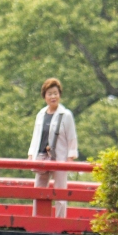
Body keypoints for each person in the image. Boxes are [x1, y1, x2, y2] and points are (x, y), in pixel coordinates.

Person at [28, 78, 78, 219]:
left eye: (55, 93)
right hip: (42, 156)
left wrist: (70, 157)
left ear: (60, 95)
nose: (53, 97)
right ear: (44, 96)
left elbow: (71, 137)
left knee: (60, 191)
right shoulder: (41, 114)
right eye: (49, 94)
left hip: (60, 157)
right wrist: (31, 154)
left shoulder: (66, 115)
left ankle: (60, 221)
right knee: (39, 190)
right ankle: (38, 219)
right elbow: (36, 136)